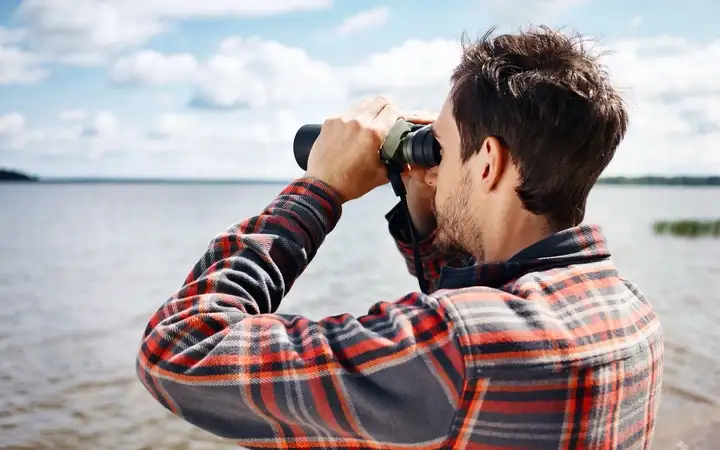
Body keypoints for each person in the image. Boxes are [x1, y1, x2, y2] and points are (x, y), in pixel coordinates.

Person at [136, 27, 663, 450]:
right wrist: (420, 201)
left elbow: (181, 352)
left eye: (443, 148)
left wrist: (319, 189)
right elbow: (481, 307)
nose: (432, 168)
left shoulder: (463, 351)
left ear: (488, 163)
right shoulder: (631, 313)